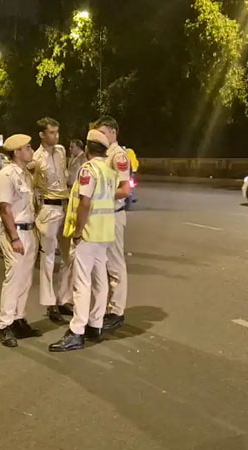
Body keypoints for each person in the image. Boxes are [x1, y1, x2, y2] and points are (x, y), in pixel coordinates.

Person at [49, 130, 117, 352]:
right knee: (100, 280)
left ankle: (76, 331)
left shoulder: (88, 169)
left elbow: (85, 203)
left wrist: (78, 231)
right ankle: (95, 325)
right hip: (104, 233)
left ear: (88, 149)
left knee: (81, 283)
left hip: (88, 233)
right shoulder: (109, 171)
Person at [0, 134, 42, 347]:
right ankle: (5, 325)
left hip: (30, 231)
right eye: (27, 147)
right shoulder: (6, 176)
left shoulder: (25, 175)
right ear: (16, 152)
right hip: (16, 233)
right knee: (13, 279)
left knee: (25, 279)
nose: (31, 150)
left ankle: (19, 319)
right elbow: (5, 209)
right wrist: (14, 237)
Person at [30, 117, 73, 324]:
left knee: (69, 255)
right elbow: (32, 186)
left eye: (57, 132)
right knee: (48, 258)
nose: (56, 136)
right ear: (42, 135)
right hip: (48, 208)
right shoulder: (35, 158)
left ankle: (64, 297)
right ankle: (49, 303)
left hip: (65, 206)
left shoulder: (61, 151)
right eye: (52, 133)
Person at [94, 116, 132, 332]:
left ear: (113, 133)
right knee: (104, 264)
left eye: (102, 133)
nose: (99, 137)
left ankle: (117, 311)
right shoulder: (104, 154)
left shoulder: (118, 156)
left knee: (115, 264)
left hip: (114, 214)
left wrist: (100, 195)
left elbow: (125, 190)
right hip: (103, 216)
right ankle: (108, 308)